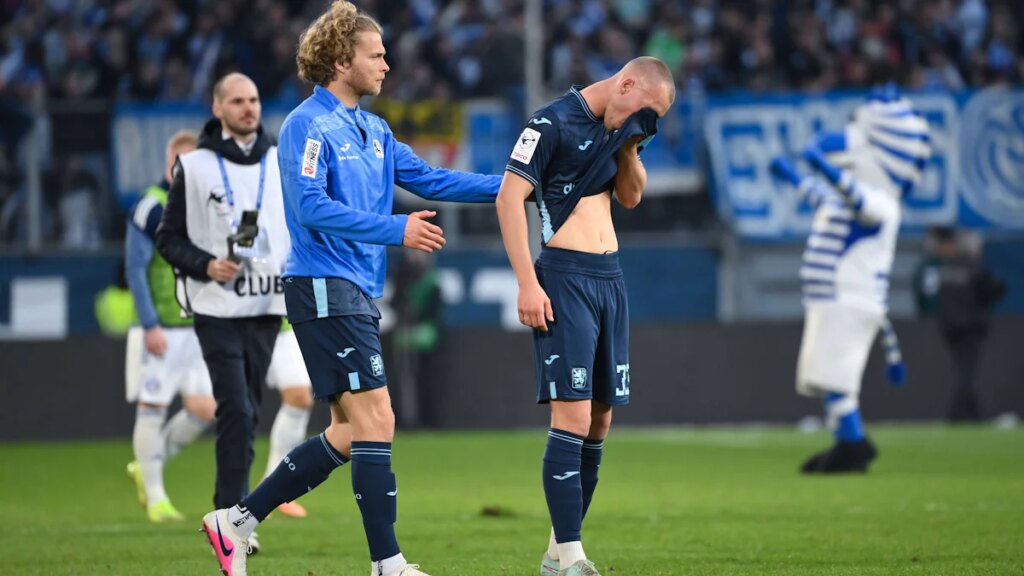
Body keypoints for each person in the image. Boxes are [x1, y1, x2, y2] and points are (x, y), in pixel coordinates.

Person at [197, 3, 502, 576]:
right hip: (322, 284)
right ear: (341, 61)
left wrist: (517, 184)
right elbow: (310, 207)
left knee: (347, 431)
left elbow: (433, 180)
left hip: (354, 289)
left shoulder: (374, 129)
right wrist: (396, 229)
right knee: (377, 418)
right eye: (376, 55)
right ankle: (388, 563)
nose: (387, 65)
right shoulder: (307, 126)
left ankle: (236, 521)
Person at [496, 57, 674, 576]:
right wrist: (527, 282)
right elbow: (509, 199)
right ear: (627, 83)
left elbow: (631, 197)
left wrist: (631, 145)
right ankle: (574, 556)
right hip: (564, 276)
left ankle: (557, 553)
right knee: (571, 416)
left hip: (609, 278)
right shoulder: (550, 122)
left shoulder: (621, 130)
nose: (647, 122)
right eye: (646, 111)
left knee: (599, 420)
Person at [155, 73, 288, 552]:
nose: (248, 108)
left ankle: (232, 519)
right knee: (235, 407)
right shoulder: (194, 166)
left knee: (247, 412)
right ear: (218, 108)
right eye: (237, 101)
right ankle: (229, 517)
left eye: (254, 99)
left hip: (267, 302)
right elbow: (167, 239)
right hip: (215, 307)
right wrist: (206, 264)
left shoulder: (281, 160)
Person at [770, 85, 931, 473]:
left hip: (850, 301)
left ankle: (852, 444)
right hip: (834, 301)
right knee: (828, 376)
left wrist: (822, 165)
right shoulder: (854, 199)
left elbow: (855, 197)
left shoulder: (883, 203)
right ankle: (847, 442)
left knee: (835, 378)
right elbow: (824, 197)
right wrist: (793, 175)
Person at [123, 129, 216, 523]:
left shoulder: (206, 206)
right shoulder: (151, 206)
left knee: (205, 409)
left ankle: (147, 464)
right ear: (171, 163)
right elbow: (135, 269)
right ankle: (156, 497)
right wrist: (149, 324)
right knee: (153, 406)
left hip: (196, 326)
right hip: (161, 327)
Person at [917, 228, 1006, 421]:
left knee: (963, 371)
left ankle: (969, 413)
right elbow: (992, 291)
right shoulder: (975, 269)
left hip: (949, 328)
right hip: (971, 328)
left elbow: (935, 298)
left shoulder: (946, 269)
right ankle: (960, 414)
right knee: (967, 373)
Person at [262, 320, 315, 517]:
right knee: (234, 406)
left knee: (300, 398)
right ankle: (235, 498)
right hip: (239, 323)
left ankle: (273, 488)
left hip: (283, 325)